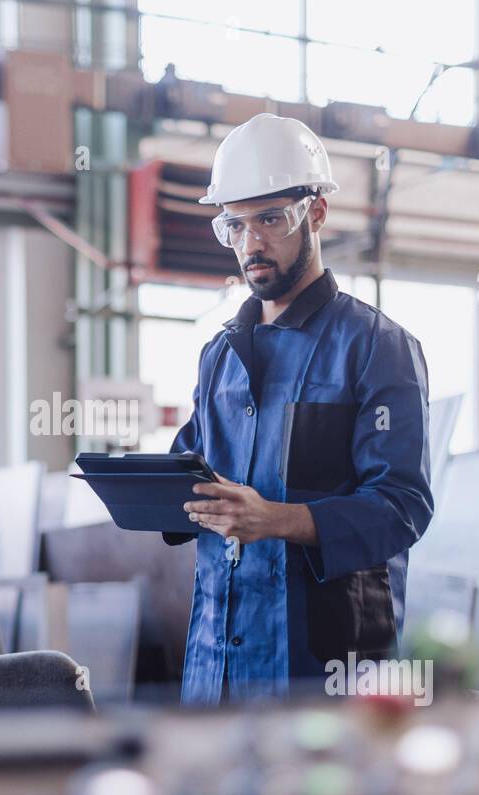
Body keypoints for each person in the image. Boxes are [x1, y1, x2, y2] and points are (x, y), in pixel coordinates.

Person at [165, 113, 434, 705]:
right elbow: (189, 473)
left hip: (323, 673)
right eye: (234, 225)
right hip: (217, 667)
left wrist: (278, 520)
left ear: (315, 213)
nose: (251, 243)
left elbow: (402, 509)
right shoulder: (219, 356)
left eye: (271, 219)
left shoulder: (377, 348)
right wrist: (142, 489)